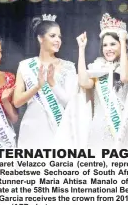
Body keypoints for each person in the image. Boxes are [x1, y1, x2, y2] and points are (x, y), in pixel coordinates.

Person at [74, 13, 128, 149]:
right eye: (105, 45)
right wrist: (81, 49)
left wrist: (123, 41)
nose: (108, 49)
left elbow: (124, 78)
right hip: (98, 129)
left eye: (112, 44)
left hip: (121, 128)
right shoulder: (98, 67)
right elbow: (83, 82)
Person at [12, 14, 78, 148]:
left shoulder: (69, 66)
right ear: (40, 38)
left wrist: (52, 82)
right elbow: (17, 101)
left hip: (59, 128)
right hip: (32, 129)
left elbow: (70, 102)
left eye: (59, 37)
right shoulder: (25, 65)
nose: (58, 40)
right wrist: (38, 86)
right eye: (53, 36)